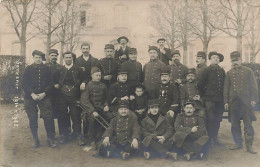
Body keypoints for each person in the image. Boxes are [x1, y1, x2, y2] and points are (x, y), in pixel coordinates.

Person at [224, 51, 258, 154]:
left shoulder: (248, 71)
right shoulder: (229, 73)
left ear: (240, 60)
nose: (235, 62)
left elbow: (254, 86)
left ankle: (249, 146)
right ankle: (238, 143)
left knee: (248, 124)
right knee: (234, 124)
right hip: (233, 102)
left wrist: (253, 99)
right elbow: (226, 88)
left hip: (246, 102)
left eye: (236, 60)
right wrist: (226, 101)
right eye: (233, 61)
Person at [22, 50, 56, 148]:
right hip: (30, 96)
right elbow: (24, 84)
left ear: (42, 58)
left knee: (48, 116)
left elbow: (51, 84)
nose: (38, 59)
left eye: (40, 58)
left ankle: (50, 139)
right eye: (36, 57)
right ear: (33, 58)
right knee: (32, 118)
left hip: (44, 96)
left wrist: (44, 93)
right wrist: (32, 94)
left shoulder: (47, 69)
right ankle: (35, 140)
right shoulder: (28, 69)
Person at [54, 51, 85, 146]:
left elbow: (84, 78)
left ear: (72, 58)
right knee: (62, 115)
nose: (68, 59)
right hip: (62, 95)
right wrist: (56, 84)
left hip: (75, 94)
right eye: (66, 57)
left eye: (70, 57)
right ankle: (64, 135)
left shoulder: (78, 69)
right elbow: (55, 80)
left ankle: (78, 135)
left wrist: (83, 82)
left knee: (76, 115)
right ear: (64, 58)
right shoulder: (59, 69)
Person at [80, 67, 113, 148]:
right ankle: (92, 140)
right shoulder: (88, 85)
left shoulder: (103, 85)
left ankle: (105, 137)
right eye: (96, 75)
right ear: (92, 76)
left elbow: (106, 98)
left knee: (111, 117)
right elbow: (84, 100)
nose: (98, 77)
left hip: (101, 108)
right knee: (93, 119)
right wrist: (92, 111)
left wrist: (106, 105)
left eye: (99, 75)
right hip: (90, 110)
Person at [198, 51, 225, 145]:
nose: (216, 59)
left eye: (217, 58)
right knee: (210, 118)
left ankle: (215, 138)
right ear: (210, 59)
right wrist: (204, 96)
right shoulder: (206, 70)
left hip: (219, 99)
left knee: (218, 119)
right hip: (209, 100)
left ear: (219, 60)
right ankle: (209, 138)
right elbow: (200, 85)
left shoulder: (221, 70)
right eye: (213, 57)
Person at [46, 49, 69, 138]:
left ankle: (63, 134)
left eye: (55, 55)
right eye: (52, 55)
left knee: (61, 113)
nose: (54, 57)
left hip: (59, 95)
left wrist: (59, 84)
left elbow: (63, 79)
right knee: (49, 115)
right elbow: (45, 80)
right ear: (49, 56)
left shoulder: (61, 67)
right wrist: (53, 85)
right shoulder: (45, 67)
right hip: (49, 94)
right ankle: (51, 135)